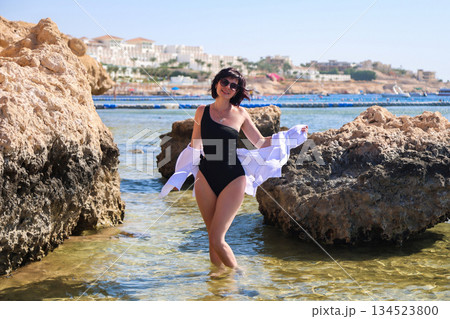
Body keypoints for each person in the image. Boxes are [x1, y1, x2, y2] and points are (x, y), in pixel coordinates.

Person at [187, 68, 308, 274]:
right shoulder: (201, 111)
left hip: (233, 177)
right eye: (225, 82)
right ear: (216, 83)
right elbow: (195, 144)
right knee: (211, 237)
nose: (228, 87)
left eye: (234, 86)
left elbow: (260, 142)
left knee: (218, 237)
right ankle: (217, 283)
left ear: (237, 91)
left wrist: (289, 135)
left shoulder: (240, 114)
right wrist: (186, 168)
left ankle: (237, 276)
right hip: (205, 176)